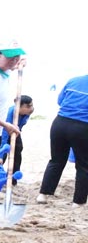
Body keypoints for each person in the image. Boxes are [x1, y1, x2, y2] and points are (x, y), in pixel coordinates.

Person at [36, 74, 88, 207]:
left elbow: (60, 101)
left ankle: (43, 194)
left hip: (60, 123)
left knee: (56, 160)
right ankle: (78, 202)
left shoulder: (73, 80)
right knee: (83, 165)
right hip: (82, 126)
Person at [0, 95, 34, 173]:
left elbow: (21, 124)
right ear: (18, 106)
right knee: (3, 153)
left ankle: (13, 176)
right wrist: (0, 156)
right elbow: (4, 135)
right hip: (4, 133)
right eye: (28, 106)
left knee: (18, 149)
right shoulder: (10, 114)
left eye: (32, 105)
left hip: (16, 131)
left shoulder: (28, 112)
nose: (31, 108)